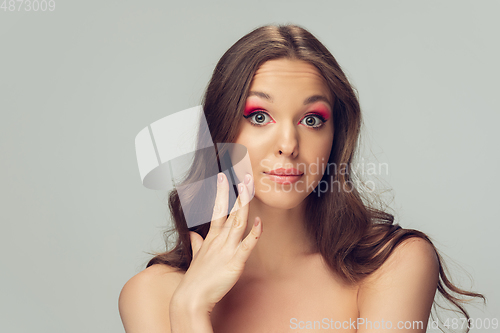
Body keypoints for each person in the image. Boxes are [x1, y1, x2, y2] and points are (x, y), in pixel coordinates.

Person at [118, 24, 484, 333]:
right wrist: (190, 310)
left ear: (336, 135)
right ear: (220, 130)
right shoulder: (156, 294)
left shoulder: (392, 264)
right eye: (259, 116)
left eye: (312, 120)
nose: (289, 145)